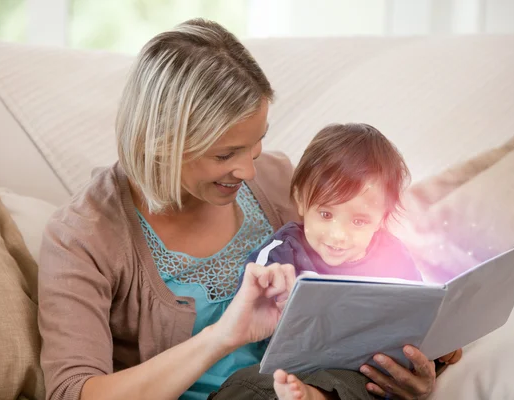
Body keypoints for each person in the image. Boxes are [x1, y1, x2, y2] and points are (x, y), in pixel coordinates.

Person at [38, 19, 442, 400]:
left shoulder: (279, 180)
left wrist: (409, 367)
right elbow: (73, 392)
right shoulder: (83, 236)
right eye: (226, 153)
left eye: (256, 142)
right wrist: (223, 335)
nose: (248, 169)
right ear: (158, 144)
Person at [237, 123, 462, 399]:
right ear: (301, 199)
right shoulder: (280, 254)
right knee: (261, 382)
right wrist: (272, 302)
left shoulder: (392, 255)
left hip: (361, 372)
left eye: (359, 220)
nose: (339, 236)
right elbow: (245, 311)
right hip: (292, 370)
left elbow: (415, 315)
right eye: (326, 215)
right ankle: (310, 394)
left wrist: (439, 344)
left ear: (382, 218)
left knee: (382, 374)